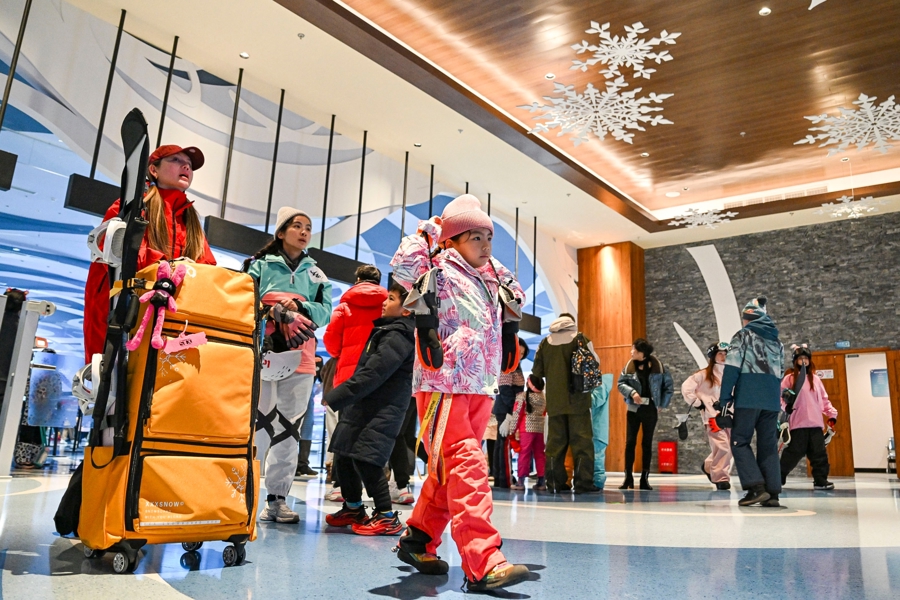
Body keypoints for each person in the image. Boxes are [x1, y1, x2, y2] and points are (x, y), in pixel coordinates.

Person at [389, 194, 529, 592]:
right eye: (475, 237)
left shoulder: (489, 276)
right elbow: (402, 265)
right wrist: (433, 229)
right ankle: (483, 561)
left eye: (489, 237)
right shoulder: (437, 266)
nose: (485, 245)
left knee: (449, 468)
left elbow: (516, 291)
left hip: (481, 382)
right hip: (444, 381)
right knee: (468, 463)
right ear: (451, 240)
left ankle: (418, 539)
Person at [83, 145, 215, 364]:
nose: (186, 167)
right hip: (121, 314)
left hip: (169, 320)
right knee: (115, 379)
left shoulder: (191, 221)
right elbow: (121, 253)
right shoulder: (131, 206)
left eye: (189, 165)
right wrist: (173, 267)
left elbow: (207, 268)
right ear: (154, 170)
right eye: (175, 160)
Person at [245, 206, 332, 523]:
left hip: (302, 360)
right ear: (281, 232)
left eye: (308, 226)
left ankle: (276, 500)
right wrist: (270, 310)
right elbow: (242, 301)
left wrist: (300, 306)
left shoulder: (316, 273)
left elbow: (326, 312)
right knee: (257, 428)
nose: (304, 231)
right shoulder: (258, 266)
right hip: (262, 356)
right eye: (297, 225)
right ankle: (244, 498)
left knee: (289, 431)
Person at [324, 282, 416, 535]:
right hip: (365, 403)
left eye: (391, 299)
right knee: (344, 453)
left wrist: (338, 395)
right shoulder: (387, 330)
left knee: (367, 458)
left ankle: (386, 516)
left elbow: (375, 372)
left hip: (382, 407)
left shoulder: (400, 335)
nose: (384, 303)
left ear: (407, 309)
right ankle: (353, 507)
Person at [716, 296, 785, 507]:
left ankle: (756, 488)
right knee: (768, 446)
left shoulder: (742, 336)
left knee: (740, 441)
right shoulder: (777, 342)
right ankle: (772, 493)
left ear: (748, 318)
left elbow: (732, 368)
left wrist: (724, 399)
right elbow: (781, 373)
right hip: (771, 401)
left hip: (748, 397)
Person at [530, 314, 599, 493]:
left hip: (555, 401)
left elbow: (537, 371)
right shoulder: (580, 338)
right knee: (582, 443)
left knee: (555, 444)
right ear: (571, 324)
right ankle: (583, 484)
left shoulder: (545, 343)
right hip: (578, 400)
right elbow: (595, 363)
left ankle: (554, 483)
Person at [617, 338, 674, 491]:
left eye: (634, 350)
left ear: (642, 353)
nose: (631, 352)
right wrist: (632, 392)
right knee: (630, 442)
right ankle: (628, 477)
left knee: (646, 443)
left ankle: (644, 478)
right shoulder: (629, 366)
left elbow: (668, 387)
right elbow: (620, 383)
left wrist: (661, 404)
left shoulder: (658, 367)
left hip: (650, 409)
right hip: (633, 408)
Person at [779, 345, 837, 491]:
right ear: (795, 361)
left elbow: (823, 399)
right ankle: (778, 477)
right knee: (794, 452)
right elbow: (780, 397)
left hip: (815, 423)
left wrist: (831, 414)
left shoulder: (815, 379)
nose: (804, 361)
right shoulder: (789, 379)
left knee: (819, 454)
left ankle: (820, 480)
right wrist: (785, 406)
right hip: (799, 422)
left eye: (806, 358)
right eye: (801, 358)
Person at [682, 342, 733, 491]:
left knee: (730, 447)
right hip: (713, 417)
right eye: (720, 353)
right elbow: (686, 388)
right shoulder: (703, 375)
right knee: (722, 446)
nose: (723, 356)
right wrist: (698, 403)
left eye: (725, 354)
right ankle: (720, 478)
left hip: (731, 416)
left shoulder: (732, 374)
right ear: (713, 356)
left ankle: (709, 466)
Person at [492, 338, 528, 489]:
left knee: (501, 443)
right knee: (504, 443)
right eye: (519, 352)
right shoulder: (507, 365)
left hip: (508, 408)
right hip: (506, 409)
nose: (520, 355)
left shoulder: (515, 366)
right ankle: (505, 478)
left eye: (523, 353)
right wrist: (511, 412)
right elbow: (505, 390)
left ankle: (501, 477)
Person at [510, 375, 547, 491]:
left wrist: (512, 431)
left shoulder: (522, 396)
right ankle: (541, 481)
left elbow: (517, 414)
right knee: (540, 454)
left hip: (526, 428)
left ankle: (520, 482)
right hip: (540, 429)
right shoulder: (543, 397)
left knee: (524, 454)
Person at [295, 355, 324, 477]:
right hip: (294, 394)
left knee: (307, 429)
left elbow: (322, 381)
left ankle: (303, 463)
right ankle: (292, 464)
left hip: (309, 397)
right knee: (293, 428)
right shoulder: (297, 355)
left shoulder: (318, 359)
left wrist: (317, 392)